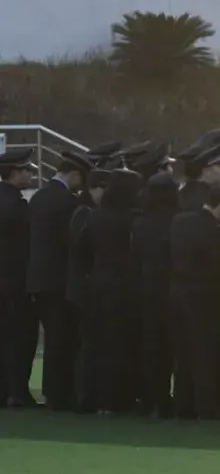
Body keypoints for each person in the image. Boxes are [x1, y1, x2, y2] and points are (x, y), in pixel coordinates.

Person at [27, 150, 92, 411]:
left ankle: (52, 393)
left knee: (53, 338)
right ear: (75, 175)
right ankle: (58, 394)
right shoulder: (67, 203)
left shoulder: (39, 197)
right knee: (61, 339)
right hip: (58, 279)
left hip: (39, 279)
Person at [169, 184, 220, 419]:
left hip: (178, 294)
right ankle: (205, 406)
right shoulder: (216, 230)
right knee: (204, 353)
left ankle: (182, 404)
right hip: (205, 297)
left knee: (183, 352)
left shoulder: (180, 221)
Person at [81, 168, 142, 414]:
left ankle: (98, 398)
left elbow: (82, 251)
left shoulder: (94, 217)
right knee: (122, 344)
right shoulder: (132, 218)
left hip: (98, 285)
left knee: (100, 343)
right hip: (126, 288)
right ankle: (120, 398)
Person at [131, 172, 179, 417]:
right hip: (170, 290)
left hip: (146, 290)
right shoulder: (176, 220)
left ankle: (152, 397)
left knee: (150, 345)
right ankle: (166, 398)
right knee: (171, 346)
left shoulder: (140, 222)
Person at [67, 168, 112, 413]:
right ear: (95, 188)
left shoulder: (84, 213)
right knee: (89, 345)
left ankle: (87, 395)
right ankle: (86, 396)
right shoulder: (86, 214)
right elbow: (82, 254)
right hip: (85, 288)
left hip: (84, 286)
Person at [0, 147, 38, 408]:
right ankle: (16, 392)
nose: (31, 174)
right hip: (13, 283)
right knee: (19, 339)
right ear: (14, 172)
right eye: (26, 170)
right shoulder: (13, 205)